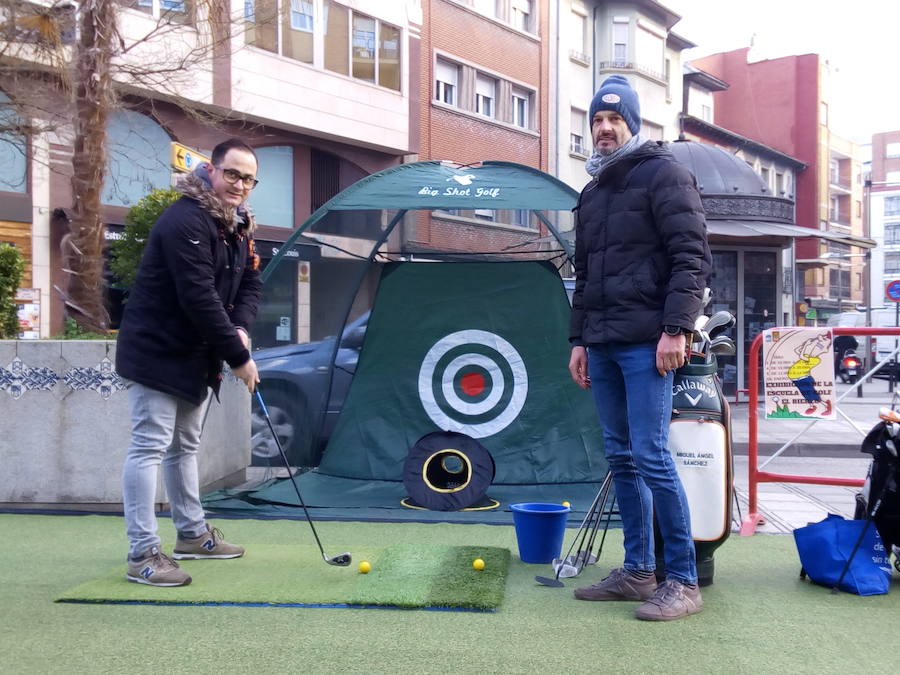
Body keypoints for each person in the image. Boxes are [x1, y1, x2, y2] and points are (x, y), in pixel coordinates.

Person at [567, 75, 711, 621]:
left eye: (614, 119)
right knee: (622, 457)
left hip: (649, 342)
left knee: (651, 456)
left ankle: (683, 581)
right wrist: (579, 340)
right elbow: (584, 275)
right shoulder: (594, 189)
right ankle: (637, 572)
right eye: (597, 121)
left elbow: (691, 256)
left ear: (631, 122)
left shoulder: (664, 173)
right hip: (602, 343)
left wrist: (676, 328)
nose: (604, 128)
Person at [116, 138, 263, 587]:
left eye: (248, 178)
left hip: (195, 355)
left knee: (184, 447)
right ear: (212, 171)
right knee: (149, 446)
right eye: (232, 174)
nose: (239, 184)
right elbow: (197, 294)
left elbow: (251, 283)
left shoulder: (237, 225)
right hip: (157, 351)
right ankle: (142, 553)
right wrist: (238, 356)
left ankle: (193, 536)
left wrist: (239, 329)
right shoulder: (186, 219)